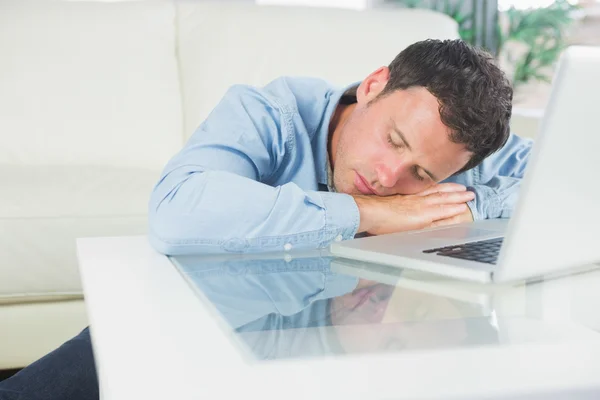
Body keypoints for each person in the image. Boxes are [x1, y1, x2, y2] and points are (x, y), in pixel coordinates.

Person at [0, 39, 531, 400]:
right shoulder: (268, 113)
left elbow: (564, 174)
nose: (390, 175)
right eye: (393, 140)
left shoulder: (464, 150)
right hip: (200, 323)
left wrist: (465, 203)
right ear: (373, 85)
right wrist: (369, 211)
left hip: (340, 359)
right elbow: (178, 210)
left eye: (420, 173)